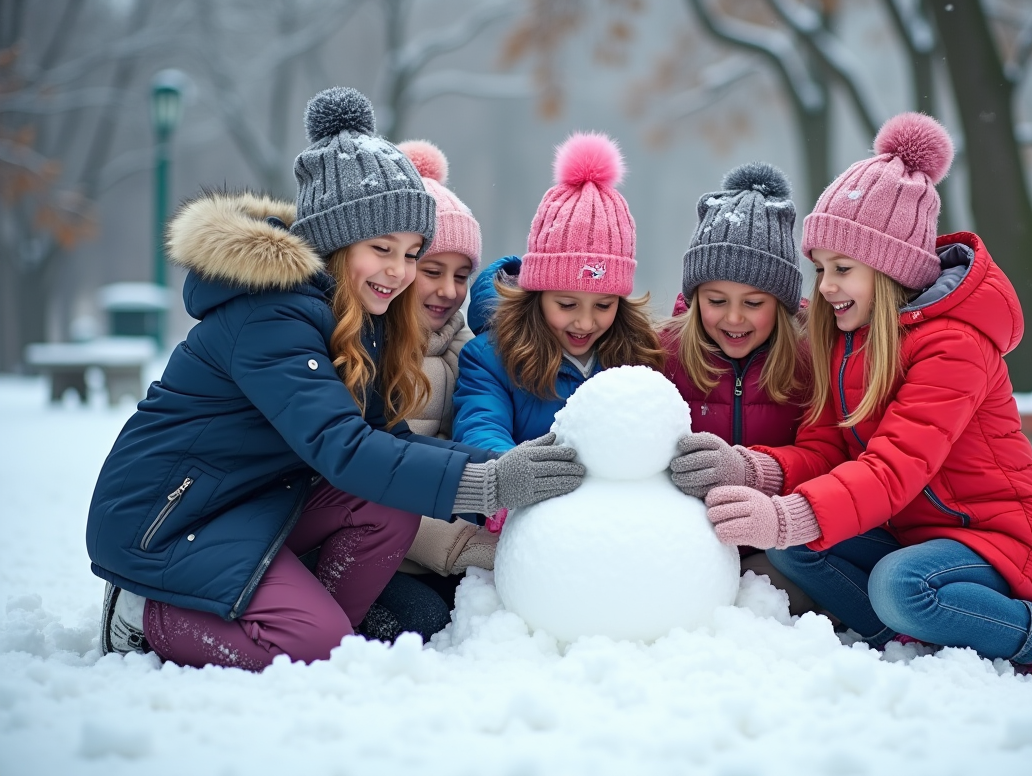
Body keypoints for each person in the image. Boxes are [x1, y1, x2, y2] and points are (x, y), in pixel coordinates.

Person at [87, 88, 584, 671]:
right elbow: (343, 449)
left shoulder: (358, 318)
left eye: (411, 252)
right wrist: (491, 482)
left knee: (385, 510)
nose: (400, 273)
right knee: (310, 643)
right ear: (334, 240)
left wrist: (511, 465)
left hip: (260, 502)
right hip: (171, 519)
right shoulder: (269, 315)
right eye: (381, 249)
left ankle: (309, 628)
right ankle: (144, 614)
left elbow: (387, 440)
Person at [670, 112, 1032, 673]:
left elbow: (893, 470)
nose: (826, 287)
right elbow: (825, 453)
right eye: (820, 268)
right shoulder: (847, 341)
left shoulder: (954, 346)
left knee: (899, 586)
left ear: (890, 269)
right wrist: (748, 469)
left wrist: (786, 513)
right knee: (796, 546)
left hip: (996, 538)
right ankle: (911, 638)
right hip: (910, 536)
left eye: (842, 268)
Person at [661, 161, 816, 615]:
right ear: (694, 298)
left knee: (769, 596)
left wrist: (756, 479)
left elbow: (823, 454)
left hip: (777, 542)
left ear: (782, 304)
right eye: (716, 301)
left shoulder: (809, 362)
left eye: (753, 303)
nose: (733, 318)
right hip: (690, 538)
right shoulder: (663, 354)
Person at [452, 131, 664, 455]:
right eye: (567, 304)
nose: (585, 322)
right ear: (537, 294)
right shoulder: (491, 359)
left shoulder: (637, 357)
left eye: (604, 305)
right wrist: (519, 483)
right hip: (525, 502)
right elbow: (479, 431)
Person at [362, 139, 497, 642]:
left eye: (462, 276)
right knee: (425, 622)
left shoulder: (467, 350)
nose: (449, 291)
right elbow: (374, 475)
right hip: (373, 546)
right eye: (433, 271)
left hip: (437, 547)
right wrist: (462, 545)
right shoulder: (367, 351)